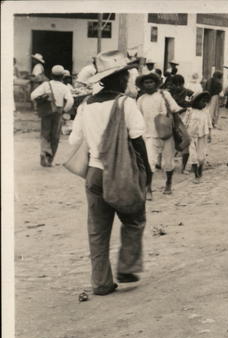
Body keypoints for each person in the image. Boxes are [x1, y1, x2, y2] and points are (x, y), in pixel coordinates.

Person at [68, 50, 151, 296]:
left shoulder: (85, 105)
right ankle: (127, 267)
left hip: (94, 174)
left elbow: (74, 140)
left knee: (97, 231)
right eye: (125, 76)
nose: (127, 80)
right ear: (120, 79)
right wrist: (146, 171)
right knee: (134, 219)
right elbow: (137, 139)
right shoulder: (126, 104)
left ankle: (101, 283)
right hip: (122, 174)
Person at [136, 72, 184, 199]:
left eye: (151, 82)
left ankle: (168, 183)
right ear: (142, 85)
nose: (149, 85)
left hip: (167, 133)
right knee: (150, 162)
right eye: (146, 83)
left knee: (168, 161)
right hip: (149, 134)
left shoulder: (164, 94)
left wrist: (182, 110)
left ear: (156, 83)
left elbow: (174, 108)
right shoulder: (141, 99)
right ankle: (148, 188)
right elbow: (137, 117)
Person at [30, 65, 74, 167]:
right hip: (58, 112)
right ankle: (50, 159)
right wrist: (64, 110)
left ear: (51, 75)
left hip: (46, 111)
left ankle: (44, 152)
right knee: (55, 136)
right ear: (62, 76)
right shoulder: (64, 87)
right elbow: (70, 101)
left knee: (45, 133)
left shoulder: (46, 85)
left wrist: (44, 99)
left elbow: (33, 95)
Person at [168, 74, 195, 173]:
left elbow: (193, 105)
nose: (178, 87)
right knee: (170, 141)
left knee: (185, 141)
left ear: (182, 84)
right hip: (173, 119)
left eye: (180, 84)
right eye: (175, 85)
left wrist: (183, 109)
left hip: (186, 118)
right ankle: (168, 164)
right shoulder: (169, 93)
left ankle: (183, 167)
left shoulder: (189, 93)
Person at [184, 92, 212, 182]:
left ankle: (200, 171)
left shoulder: (206, 111)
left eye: (205, 102)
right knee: (193, 155)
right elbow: (185, 123)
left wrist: (210, 134)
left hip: (203, 135)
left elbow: (209, 123)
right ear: (196, 102)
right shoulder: (190, 111)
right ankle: (196, 175)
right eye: (202, 101)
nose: (204, 103)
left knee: (201, 156)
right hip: (191, 135)